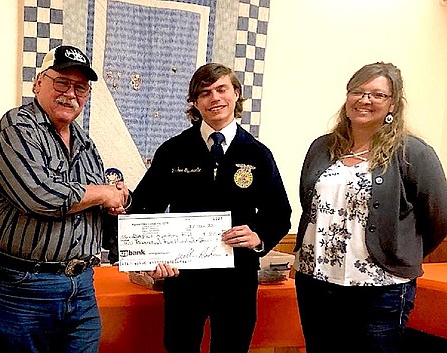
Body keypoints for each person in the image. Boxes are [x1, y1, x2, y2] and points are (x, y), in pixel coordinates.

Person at [0, 45, 129, 353]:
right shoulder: (18, 125)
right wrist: (103, 193)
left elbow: (98, 199)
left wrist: (118, 200)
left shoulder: (86, 142)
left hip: (81, 285)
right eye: (62, 82)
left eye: (80, 88)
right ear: (38, 83)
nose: (71, 94)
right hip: (20, 286)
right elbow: (39, 195)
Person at [128, 63, 292, 353]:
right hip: (182, 278)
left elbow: (279, 213)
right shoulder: (173, 150)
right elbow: (143, 208)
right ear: (195, 102)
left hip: (237, 279)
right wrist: (150, 258)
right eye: (204, 93)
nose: (214, 98)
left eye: (221, 89)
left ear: (236, 94)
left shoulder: (257, 153)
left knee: (232, 348)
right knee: (179, 347)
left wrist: (259, 238)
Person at [294, 62, 447, 353]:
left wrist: (397, 252)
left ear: (393, 104)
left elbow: (439, 218)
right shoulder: (322, 148)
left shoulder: (412, 152)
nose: (365, 100)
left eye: (377, 95)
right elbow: (309, 204)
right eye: (358, 91)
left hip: (380, 288)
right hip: (316, 282)